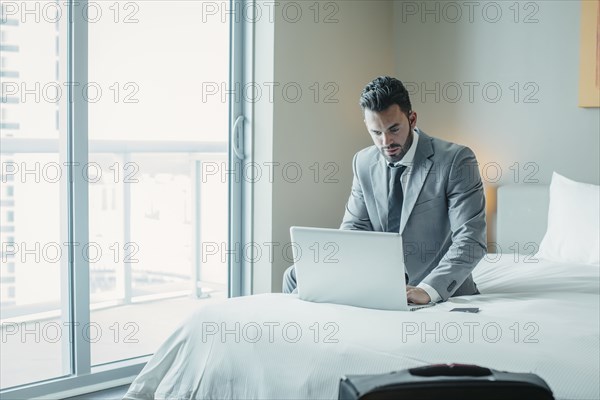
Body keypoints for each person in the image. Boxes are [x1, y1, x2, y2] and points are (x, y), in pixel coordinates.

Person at [282, 76, 486, 304]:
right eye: (376, 133)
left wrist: (428, 290)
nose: (386, 141)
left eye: (394, 129)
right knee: (294, 276)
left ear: (413, 119)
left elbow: (470, 240)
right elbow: (354, 228)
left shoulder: (456, 160)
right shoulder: (363, 162)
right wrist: (330, 272)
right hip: (377, 283)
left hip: (435, 287)